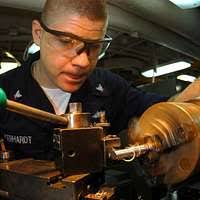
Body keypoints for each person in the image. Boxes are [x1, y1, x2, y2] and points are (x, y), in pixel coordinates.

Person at [0, 0, 167, 160]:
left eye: (94, 47)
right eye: (66, 42)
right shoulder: (5, 88)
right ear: (38, 33)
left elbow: (170, 108)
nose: (83, 62)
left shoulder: (110, 86)